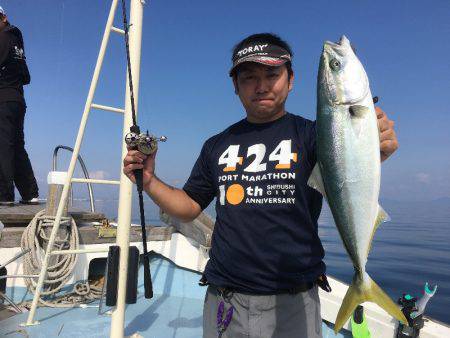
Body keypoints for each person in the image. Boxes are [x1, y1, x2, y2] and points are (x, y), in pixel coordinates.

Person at [123, 33, 399, 337]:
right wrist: (148, 181)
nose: (262, 85)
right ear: (236, 87)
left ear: (291, 80)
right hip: (225, 298)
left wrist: (374, 145)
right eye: (249, 77)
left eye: (272, 74)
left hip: (295, 298)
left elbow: (345, 167)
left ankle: (362, 280)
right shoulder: (216, 145)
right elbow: (188, 207)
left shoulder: (315, 136)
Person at [0, 6, 39, 206]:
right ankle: (30, 192)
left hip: (4, 99)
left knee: (3, 146)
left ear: (4, 18)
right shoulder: (16, 42)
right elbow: (26, 77)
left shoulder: (3, 38)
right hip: (16, 100)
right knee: (15, 146)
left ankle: (4, 196)